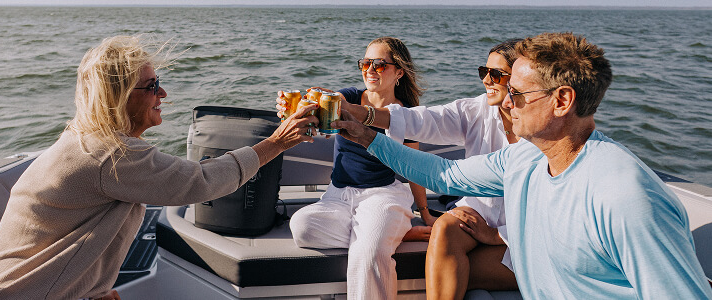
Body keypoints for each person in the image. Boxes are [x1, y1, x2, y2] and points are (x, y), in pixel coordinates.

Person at [335, 32, 712, 299]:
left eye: (515, 92)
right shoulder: (526, 158)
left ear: (562, 101)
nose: (502, 102)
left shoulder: (625, 195)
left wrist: (498, 236)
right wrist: (363, 132)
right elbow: (442, 174)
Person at [0, 35, 316, 300]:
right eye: (152, 86)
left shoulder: (85, 140)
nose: (163, 94)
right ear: (119, 97)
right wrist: (278, 141)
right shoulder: (110, 156)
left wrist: (95, 289)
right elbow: (202, 182)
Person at [342, 39, 522, 299]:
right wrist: (359, 114)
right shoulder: (477, 110)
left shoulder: (542, 130)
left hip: (524, 232)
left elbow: (554, 213)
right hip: (479, 213)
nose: (487, 81)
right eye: (484, 72)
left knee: (453, 272)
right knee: (446, 228)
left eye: (496, 74)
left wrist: (497, 235)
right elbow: (421, 119)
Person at [283, 37, 435, 300]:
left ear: (399, 71)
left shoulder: (405, 114)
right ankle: (393, 232)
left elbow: (413, 168)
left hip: (383, 195)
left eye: (379, 65)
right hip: (338, 195)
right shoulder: (349, 97)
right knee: (302, 226)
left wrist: (424, 212)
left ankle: (383, 231)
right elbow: (325, 107)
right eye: (365, 64)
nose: (370, 71)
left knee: (369, 253)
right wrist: (298, 106)